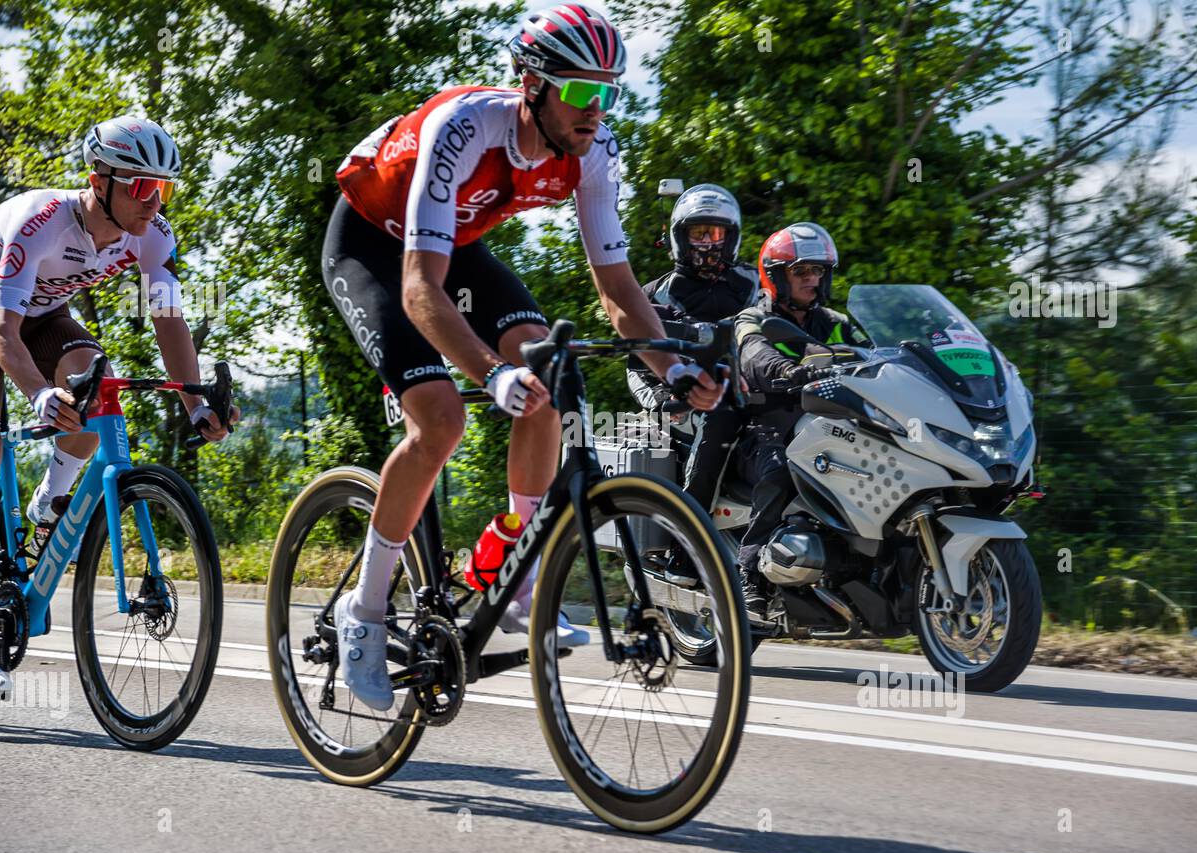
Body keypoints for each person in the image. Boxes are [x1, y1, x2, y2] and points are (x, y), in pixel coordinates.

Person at [323, 5, 726, 711]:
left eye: (608, 93)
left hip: (455, 244)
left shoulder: (593, 153)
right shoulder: (464, 128)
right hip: (373, 244)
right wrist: (490, 371)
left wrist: (675, 366)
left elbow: (619, 288)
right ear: (533, 85)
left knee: (549, 373)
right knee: (441, 420)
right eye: (581, 91)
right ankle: (364, 610)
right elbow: (420, 289)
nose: (595, 111)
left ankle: (514, 565)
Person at [0, 116, 235, 700]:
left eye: (162, 187)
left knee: (97, 389)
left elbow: (168, 320)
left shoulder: (153, 234)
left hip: (44, 314)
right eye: (141, 186)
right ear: (99, 181)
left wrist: (194, 404)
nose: (154, 200)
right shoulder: (40, 222)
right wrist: (40, 394)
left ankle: (48, 502)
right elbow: (0, 329)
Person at [626, 184, 757, 585]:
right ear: (678, 237)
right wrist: (664, 400)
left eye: (716, 233)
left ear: (731, 238)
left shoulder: (756, 285)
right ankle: (686, 546)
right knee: (719, 417)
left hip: (761, 395)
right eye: (697, 233)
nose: (706, 243)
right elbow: (636, 366)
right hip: (692, 403)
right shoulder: (654, 294)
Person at [734, 222, 857, 614]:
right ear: (776, 277)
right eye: (801, 271)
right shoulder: (752, 318)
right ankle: (748, 574)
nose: (811, 279)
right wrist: (787, 370)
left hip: (830, 425)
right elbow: (753, 355)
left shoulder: (836, 322)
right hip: (766, 427)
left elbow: (872, 355)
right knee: (780, 472)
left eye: (818, 271)